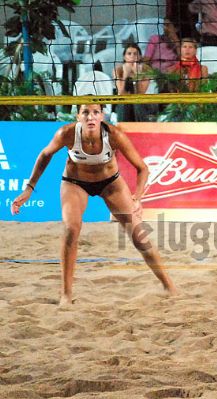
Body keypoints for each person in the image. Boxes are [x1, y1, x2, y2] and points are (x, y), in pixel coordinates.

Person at [11, 104, 177, 306]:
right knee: (71, 229)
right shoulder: (66, 133)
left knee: (138, 235)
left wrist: (138, 198)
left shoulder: (114, 135)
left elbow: (142, 168)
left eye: (95, 112)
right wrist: (29, 189)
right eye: (85, 113)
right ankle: (66, 295)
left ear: (102, 116)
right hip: (75, 183)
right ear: (78, 116)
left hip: (111, 184)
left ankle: (169, 286)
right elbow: (45, 155)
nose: (91, 117)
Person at [113, 43, 156, 122]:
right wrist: (125, 75)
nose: (132, 56)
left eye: (135, 54)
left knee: (136, 102)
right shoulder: (118, 70)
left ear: (139, 57)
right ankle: (124, 127)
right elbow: (121, 92)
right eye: (129, 54)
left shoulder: (146, 69)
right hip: (125, 102)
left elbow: (140, 93)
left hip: (145, 102)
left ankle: (140, 128)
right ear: (124, 57)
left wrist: (137, 74)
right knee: (124, 102)